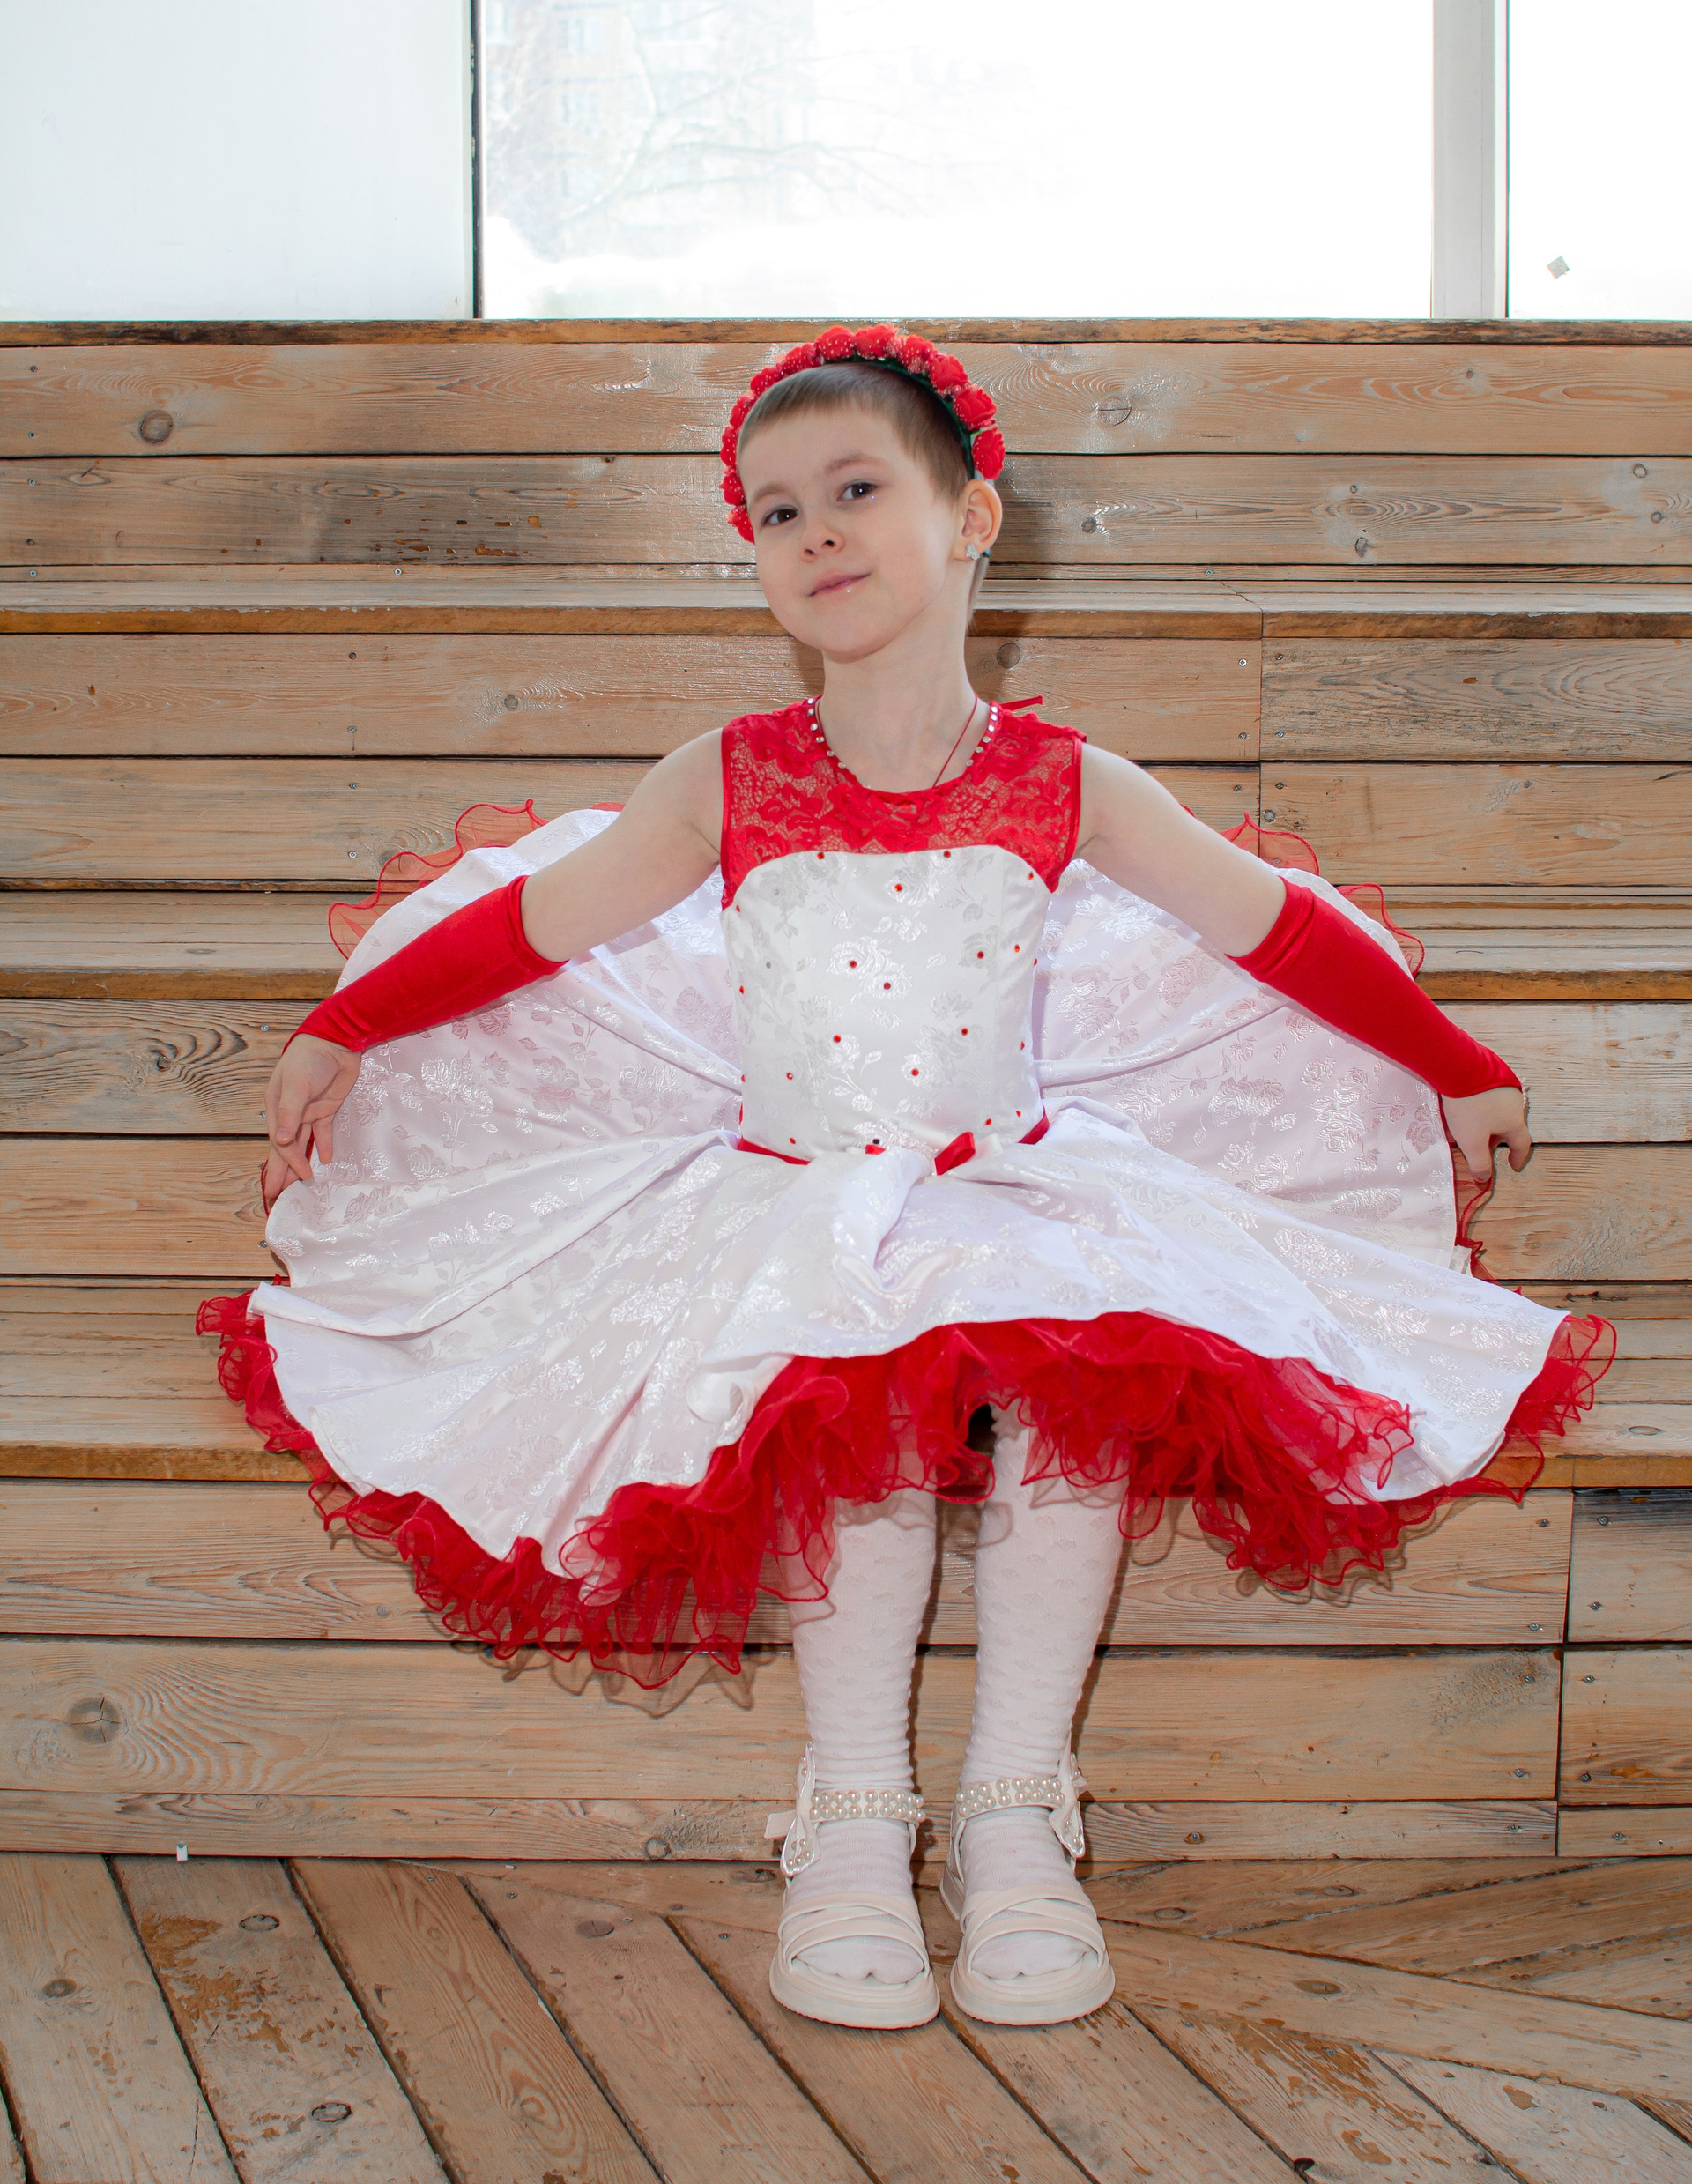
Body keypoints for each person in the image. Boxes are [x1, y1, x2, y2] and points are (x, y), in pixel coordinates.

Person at [210, 326, 1610, 2035]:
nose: (815, 532)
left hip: (1003, 1176)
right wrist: (344, 1027)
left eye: (857, 490)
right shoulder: (725, 780)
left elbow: (1279, 933)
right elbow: (531, 928)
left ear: (973, 519)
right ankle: (857, 1814)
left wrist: (1450, 1058)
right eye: (775, 510)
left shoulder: (1063, 782)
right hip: (799, 1187)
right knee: (843, 1379)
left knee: (1083, 1362)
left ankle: (1017, 1808)